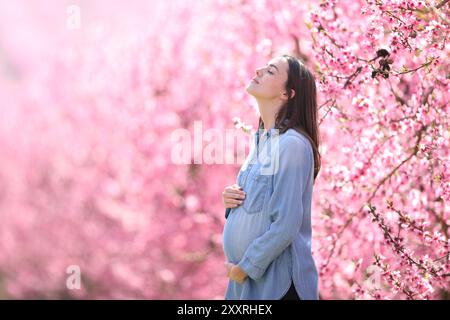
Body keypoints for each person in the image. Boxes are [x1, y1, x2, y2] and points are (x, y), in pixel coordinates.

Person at [221, 54, 322, 300]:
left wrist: (246, 267)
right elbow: (259, 206)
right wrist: (232, 201)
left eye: (270, 71)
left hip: (277, 286)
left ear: (287, 93)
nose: (258, 70)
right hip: (247, 286)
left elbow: (287, 222)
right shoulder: (261, 142)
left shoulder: (292, 145)